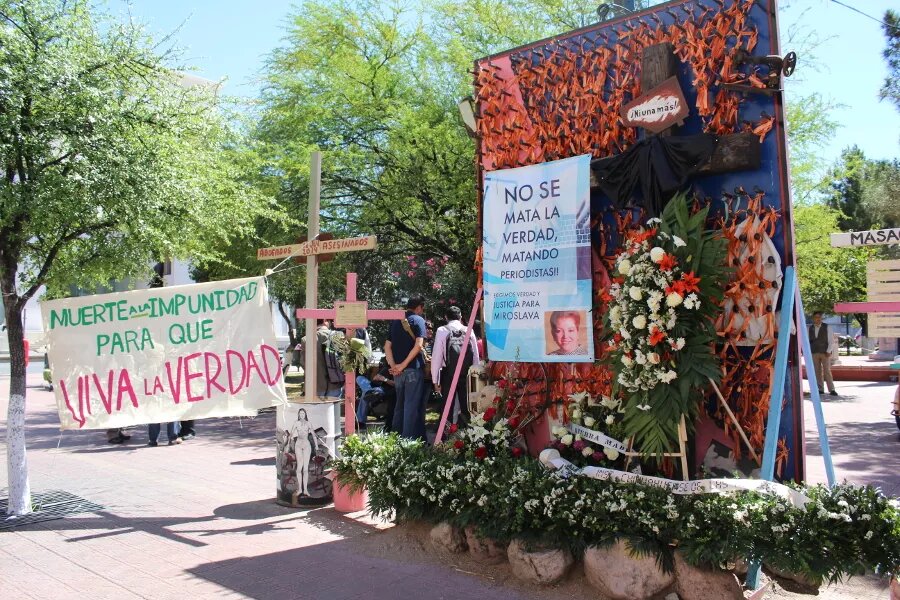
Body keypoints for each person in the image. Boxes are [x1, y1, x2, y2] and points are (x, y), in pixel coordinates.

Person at [385, 296, 427, 439]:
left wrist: (394, 367)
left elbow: (387, 346)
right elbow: (419, 344)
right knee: (411, 407)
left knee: (399, 406)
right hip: (412, 370)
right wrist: (403, 365)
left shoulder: (396, 321)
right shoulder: (419, 320)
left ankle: (395, 439)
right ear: (419, 307)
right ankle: (407, 443)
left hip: (398, 373)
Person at [432, 306, 480, 426]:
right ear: (460, 317)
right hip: (466, 374)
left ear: (446, 317)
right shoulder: (469, 330)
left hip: (448, 374)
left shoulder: (442, 330)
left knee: (447, 407)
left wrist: (435, 380)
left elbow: (437, 356)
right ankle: (468, 437)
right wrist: (476, 376)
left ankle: (445, 438)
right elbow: (475, 355)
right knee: (467, 406)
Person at [299, 319, 343, 398]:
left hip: (314, 386)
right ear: (325, 321)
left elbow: (303, 363)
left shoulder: (306, 339)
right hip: (335, 384)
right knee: (333, 409)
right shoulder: (338, 336)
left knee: (316, 410)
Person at [355, 358, 396, 432]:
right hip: (373, 386)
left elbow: (395, 384)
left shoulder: (397, 369)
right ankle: (369, 391)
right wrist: (377, 378)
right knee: (359, 378)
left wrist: (384, 379)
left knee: (365, 396)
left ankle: (360, 421)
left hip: (383, 389)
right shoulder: (385, 368)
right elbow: (374, 378)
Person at [809, 311, 837, 396]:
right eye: (816, 317)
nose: (817, 319)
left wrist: (829, 351)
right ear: (813, 318)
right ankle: (820, 389)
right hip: (814, 352)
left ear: (821, 318)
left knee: (827, 371)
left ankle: (831, 389)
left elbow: (831, 341)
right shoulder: (810, 328)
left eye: (819, 317)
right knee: (817, 371)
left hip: (825, 352)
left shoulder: (827, 327)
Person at [290, 407, 315, 498]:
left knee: (305, 468)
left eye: (303, 414)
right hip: (298, 445)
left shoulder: (308, 423)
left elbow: (314, 435)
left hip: (306, 445)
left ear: (305, 414)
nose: (301, 415)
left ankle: (305, 490)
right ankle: (300, 489)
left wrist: (316, 446)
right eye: (300, 414)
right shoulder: (296, 423)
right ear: (298, 415)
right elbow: (291, 433)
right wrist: (291, 439)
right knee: (299, 468)